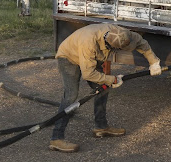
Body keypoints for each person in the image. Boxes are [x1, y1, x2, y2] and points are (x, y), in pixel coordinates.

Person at [49, 23, 162, 153]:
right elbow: (88, 74)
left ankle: (101, 127)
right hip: (69, 57)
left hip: (91, 59)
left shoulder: (122, 33)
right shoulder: (89, 43)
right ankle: (56, 138)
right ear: (110, 46)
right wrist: (111, 79)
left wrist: (154, 62)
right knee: (71, 95)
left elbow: (142, 43)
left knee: (102, 88)